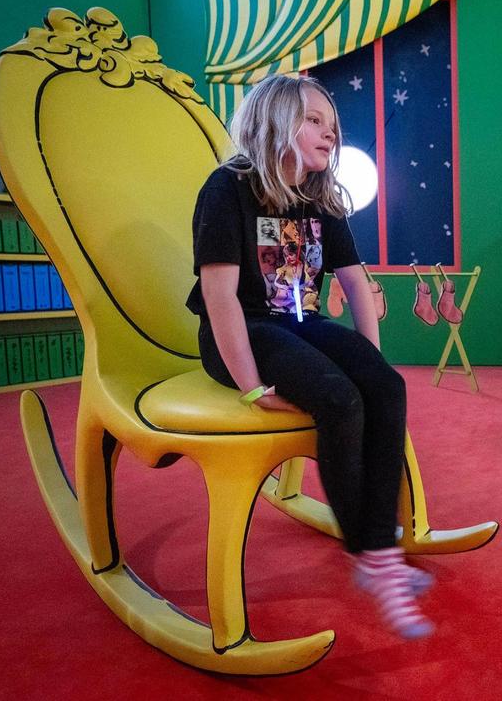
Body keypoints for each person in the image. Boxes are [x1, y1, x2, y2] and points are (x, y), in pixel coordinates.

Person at [186, 74, 434, 640]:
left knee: (386, 386)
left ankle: (379, 547)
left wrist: (372, 361)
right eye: (315, 121)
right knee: (338, 398)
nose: (331, 134)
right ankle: (370, 551)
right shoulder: (228, 188)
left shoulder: (321, 198)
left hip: (301, 323)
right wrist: (250, 384)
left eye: (333, 125)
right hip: (241, 331)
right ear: (275, 123)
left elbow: (355, 280)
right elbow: (220, 296)